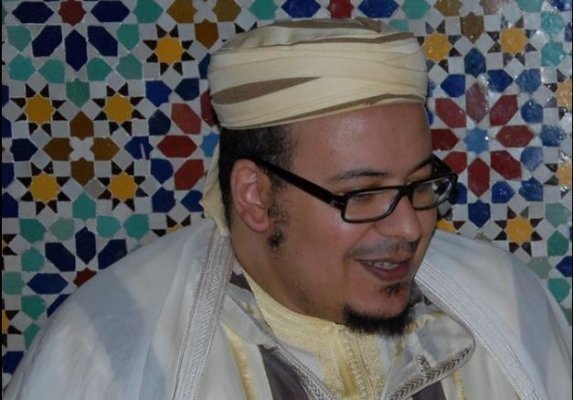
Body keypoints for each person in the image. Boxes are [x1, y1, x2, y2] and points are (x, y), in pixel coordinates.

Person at [4, 18, 571, 400]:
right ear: (255, 196)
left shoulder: (508, 304)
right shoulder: (109, 355)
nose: (411, 226)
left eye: (420, 185)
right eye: (362, 194)